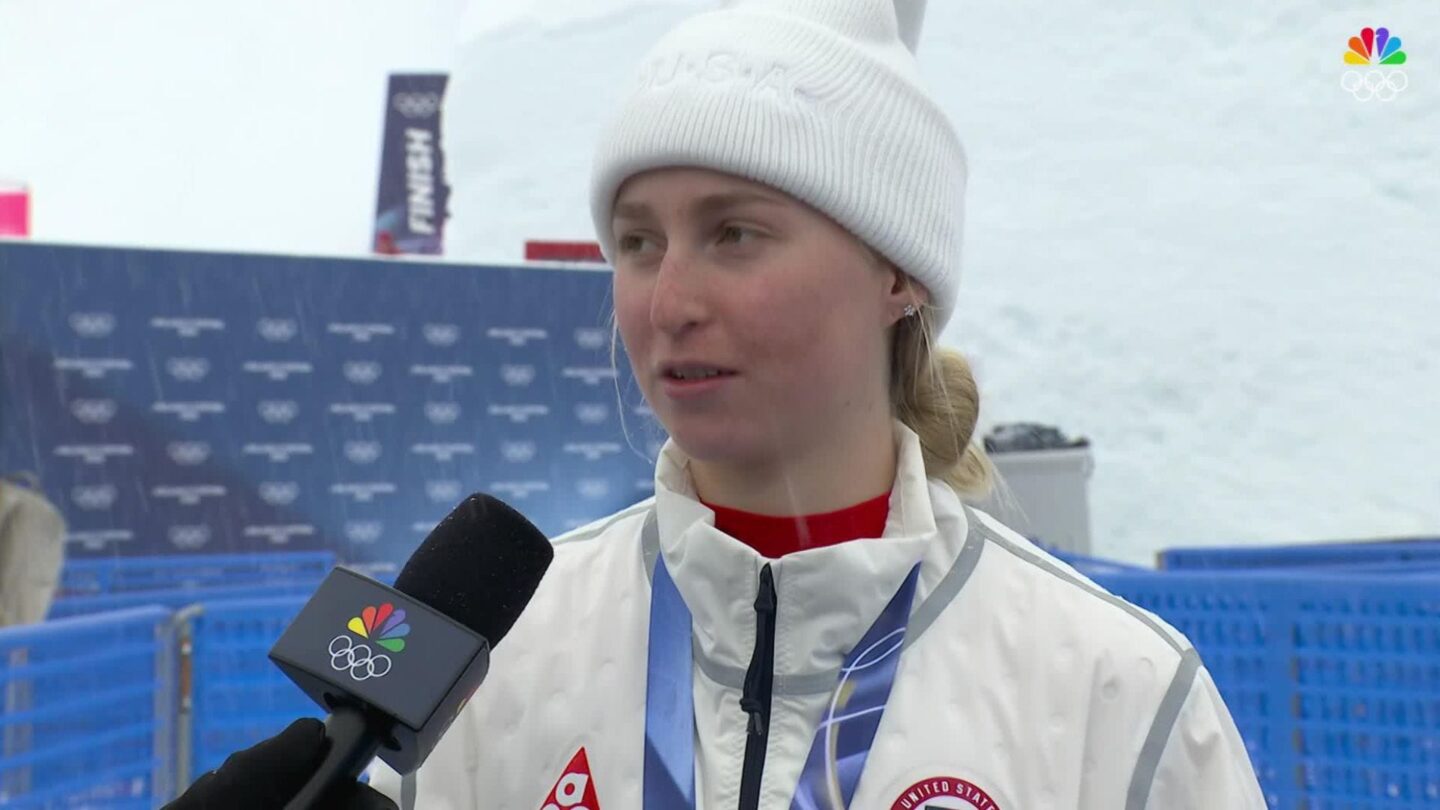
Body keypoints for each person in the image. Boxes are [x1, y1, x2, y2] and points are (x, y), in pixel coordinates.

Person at [178, 1, 1265, 807]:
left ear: (900, 273)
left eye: (734, 233)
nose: (671, 301)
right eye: (638, 242)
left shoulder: (1117, 692)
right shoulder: (490, 662)